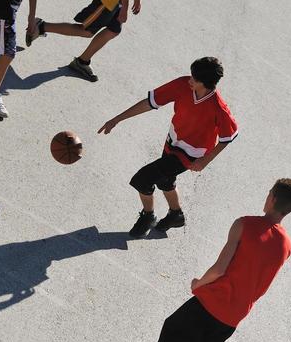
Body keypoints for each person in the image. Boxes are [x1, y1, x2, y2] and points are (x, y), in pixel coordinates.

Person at [120, 179, 291, 342]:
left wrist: (198, 283)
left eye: (269, 193)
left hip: (213, 301)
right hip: (235, 314)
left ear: (273, 198)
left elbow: (220, 268)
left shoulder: (245, 224)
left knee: (172, 331)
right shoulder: (287, 246)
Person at [98, 57, 238, 235]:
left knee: (143, 179)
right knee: (165, 180)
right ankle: (176, 215)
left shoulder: (219, 109)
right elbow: (150, 103)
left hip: (190, 154)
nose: (189, 80)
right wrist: (117, 119)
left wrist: (204, 161)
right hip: (172, 142)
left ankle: (148, 216)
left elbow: (228, 136)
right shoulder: (183, 85)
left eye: (194, 78)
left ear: (205, 84)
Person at [28, 0, 157, 83]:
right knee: (86, 31)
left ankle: (82, 62)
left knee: (113, 30)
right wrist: (125, 8)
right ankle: (41, 26)